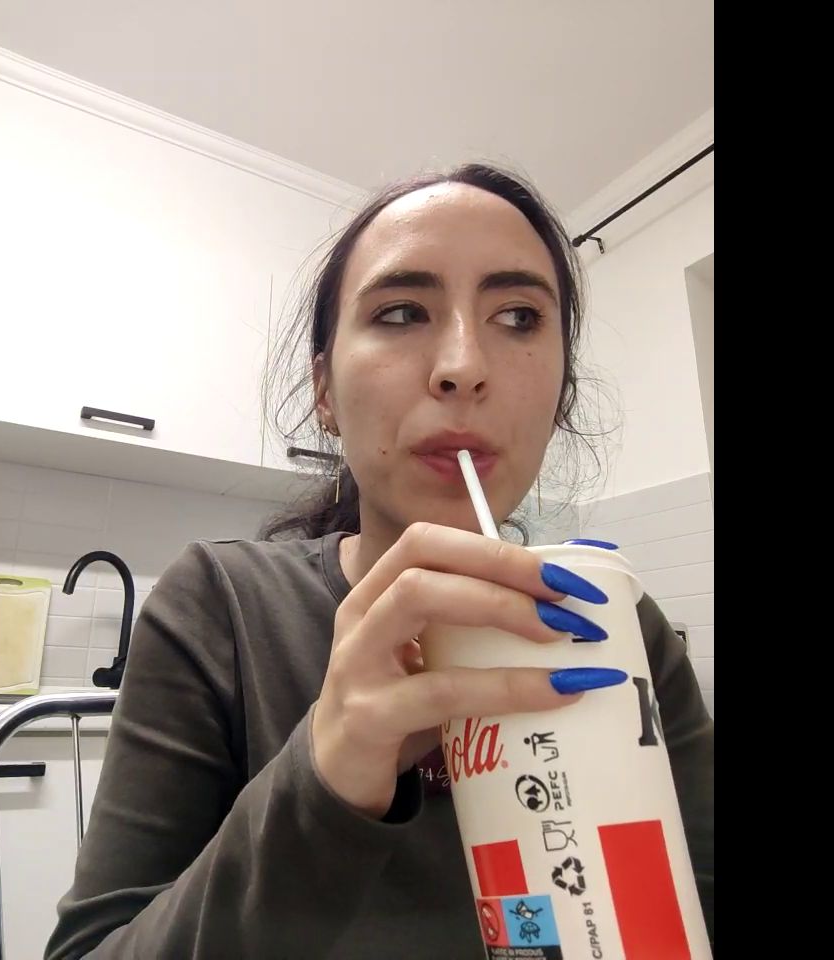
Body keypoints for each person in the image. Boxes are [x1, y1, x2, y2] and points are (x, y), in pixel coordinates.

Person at [45, 163, 714, 959]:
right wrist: (323, 779)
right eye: (401, 312)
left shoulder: (614, 621)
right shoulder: (221, 608)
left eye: (518, 316)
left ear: (560, 389)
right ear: (324, 390)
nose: (463, 365)